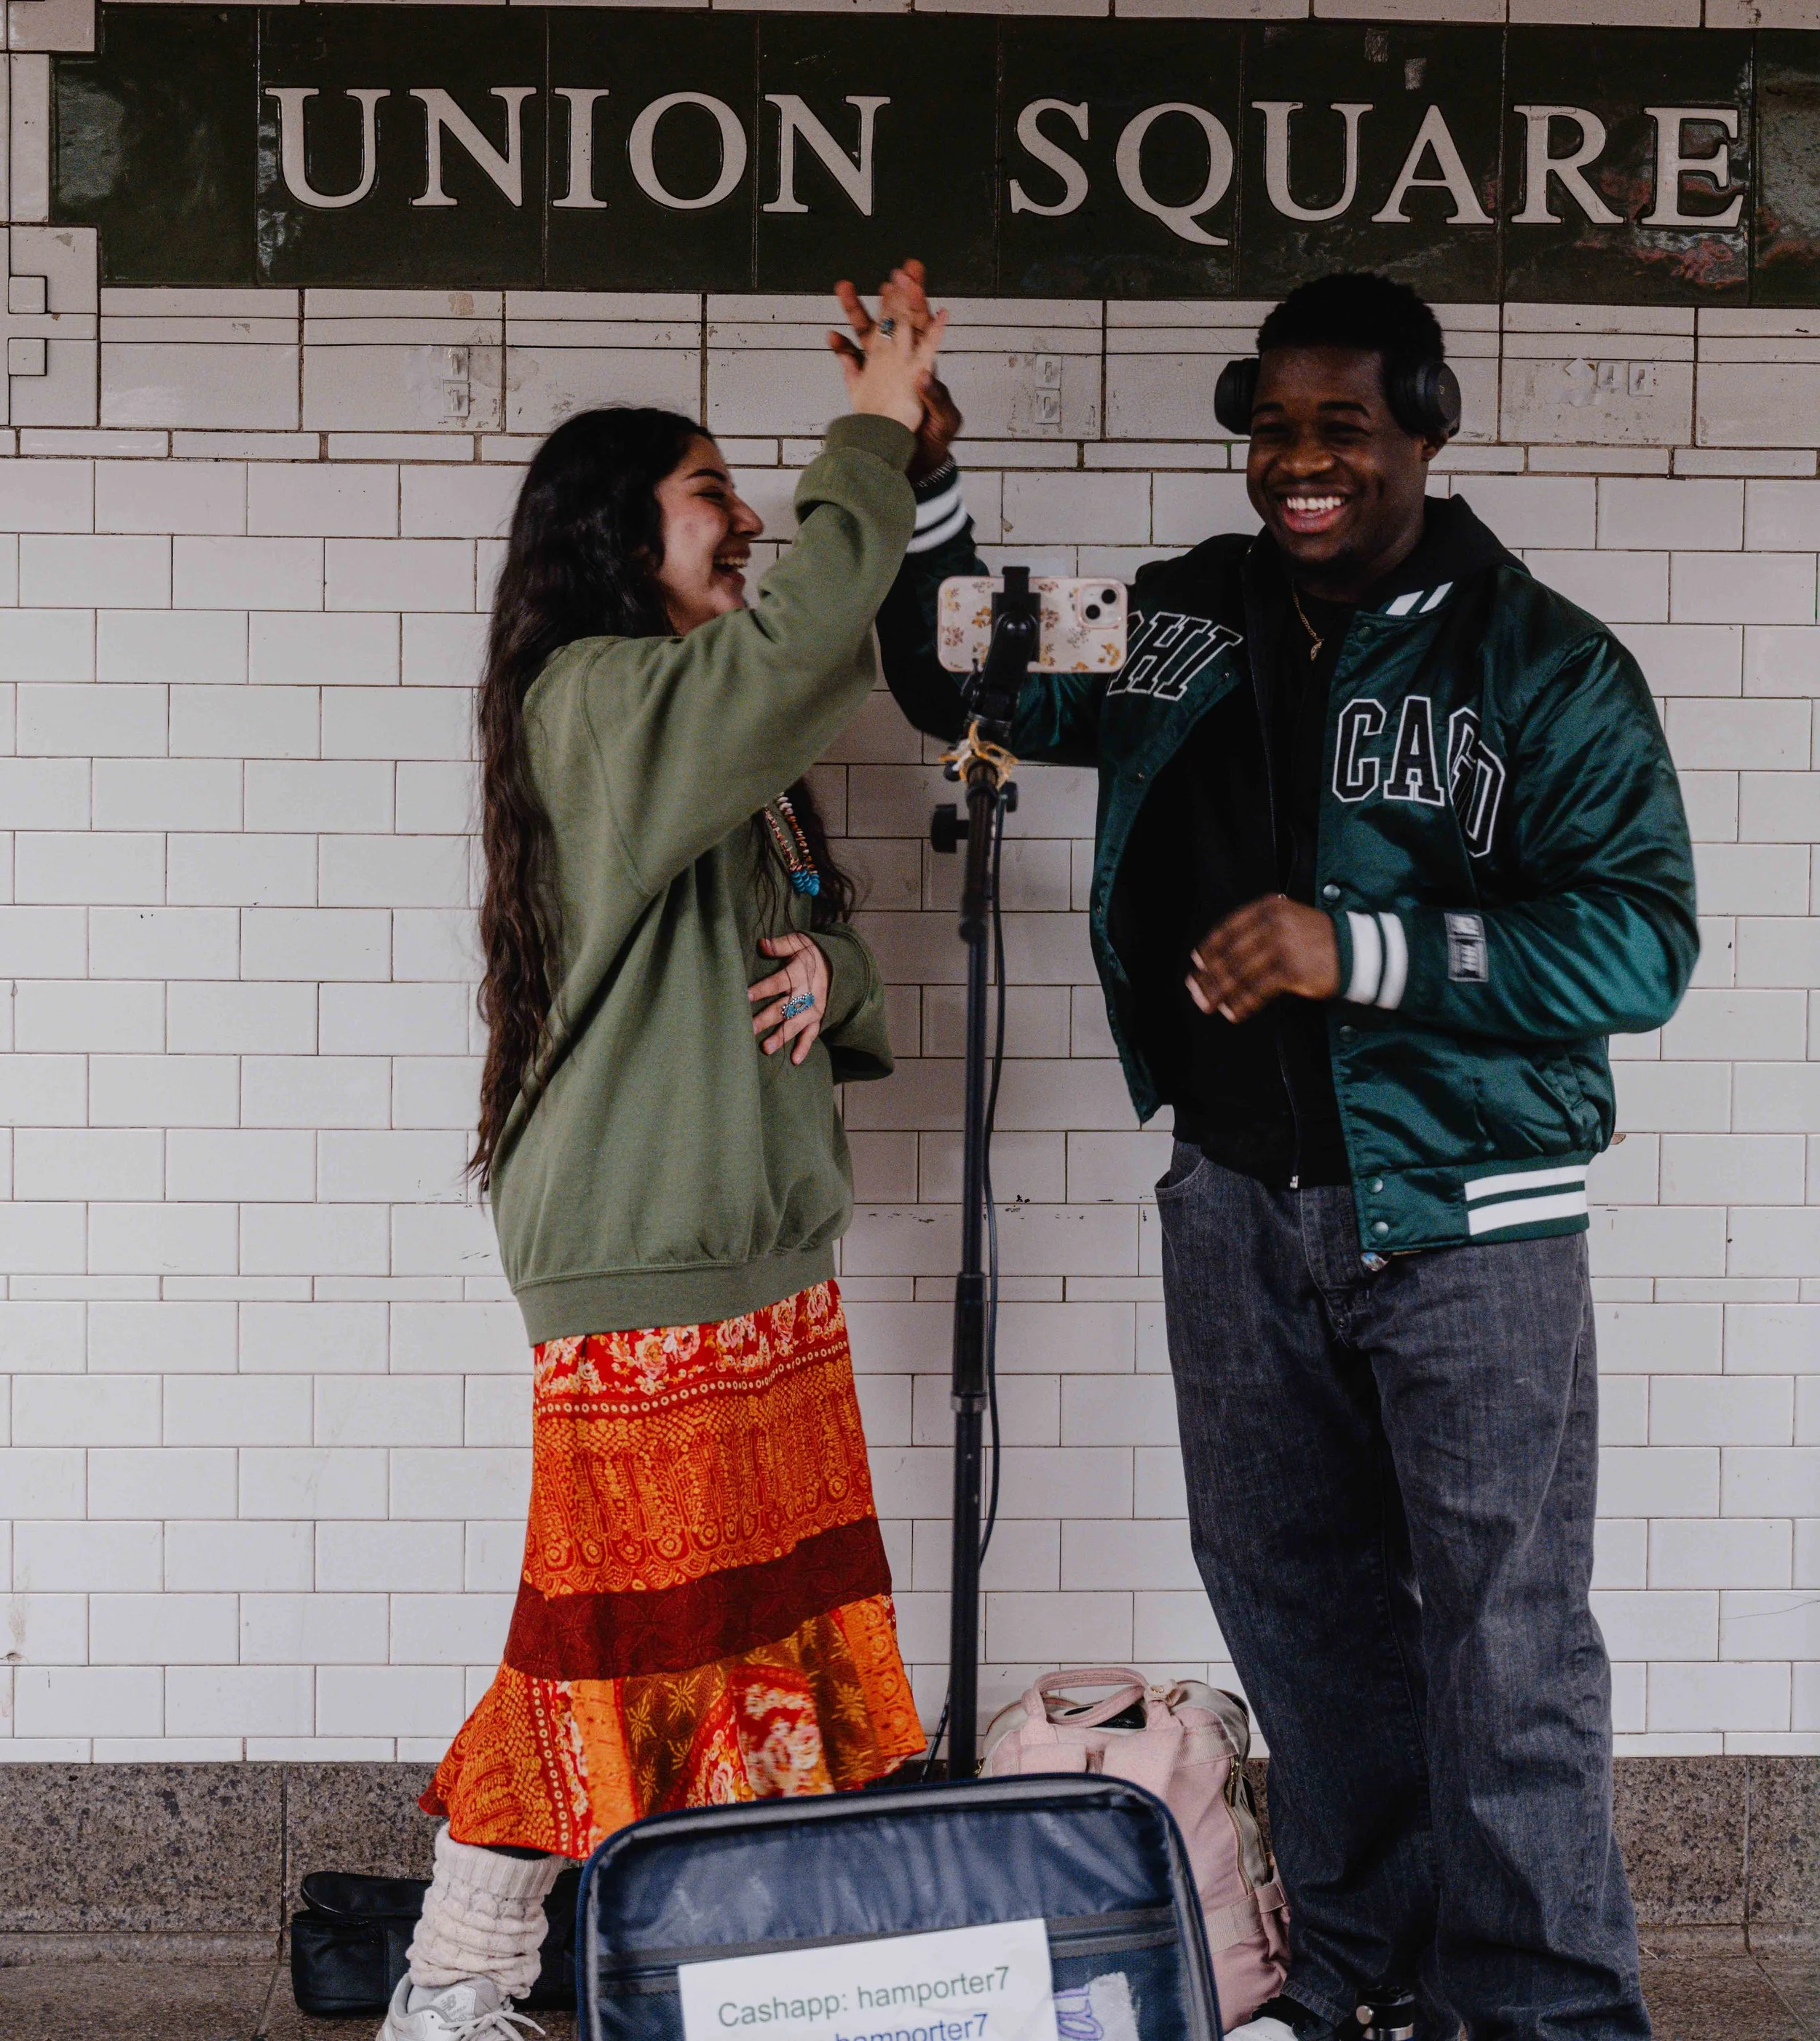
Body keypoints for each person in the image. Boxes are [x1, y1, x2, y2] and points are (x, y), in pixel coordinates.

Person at [858, 262, 1698, 2041]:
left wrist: (1356, 946)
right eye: (1270, 429)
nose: (1297, 462)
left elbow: (1641, 943)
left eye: (1340, 428)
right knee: (1295, 1617)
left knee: (1504, 1645)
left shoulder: (1539, 661)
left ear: (1424, 431)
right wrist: (927, 483)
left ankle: (1546, 2012)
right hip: (1235, 1208)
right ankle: (1364, 1977)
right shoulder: (1180, 620)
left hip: (1470, 1221)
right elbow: (963, 671)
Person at [380, 305, 946, 2041]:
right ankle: (456, 1986)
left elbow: (807, 953)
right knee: (600, 1642)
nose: (750, 519)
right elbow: (794, 648)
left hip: (746, 1250)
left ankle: (740, 1983)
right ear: (620, 534)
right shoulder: (600, 700)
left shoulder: (694, 740)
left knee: (767, 1635)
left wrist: (829, 981)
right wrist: (872, 434)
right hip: (649, 1257)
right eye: (711, 492)